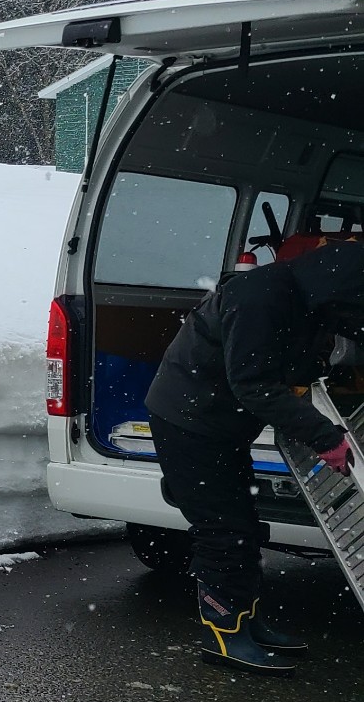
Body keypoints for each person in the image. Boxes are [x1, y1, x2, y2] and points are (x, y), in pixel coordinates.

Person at [143, 238, 364, 674]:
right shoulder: (259, 297)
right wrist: (325, 437)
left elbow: (296, 363)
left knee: (243, 523)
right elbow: (253, 384)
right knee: (223, 529)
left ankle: (245, 619)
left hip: (219, 423)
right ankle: (224, 635)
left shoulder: (309, 300)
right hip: (190, 422)